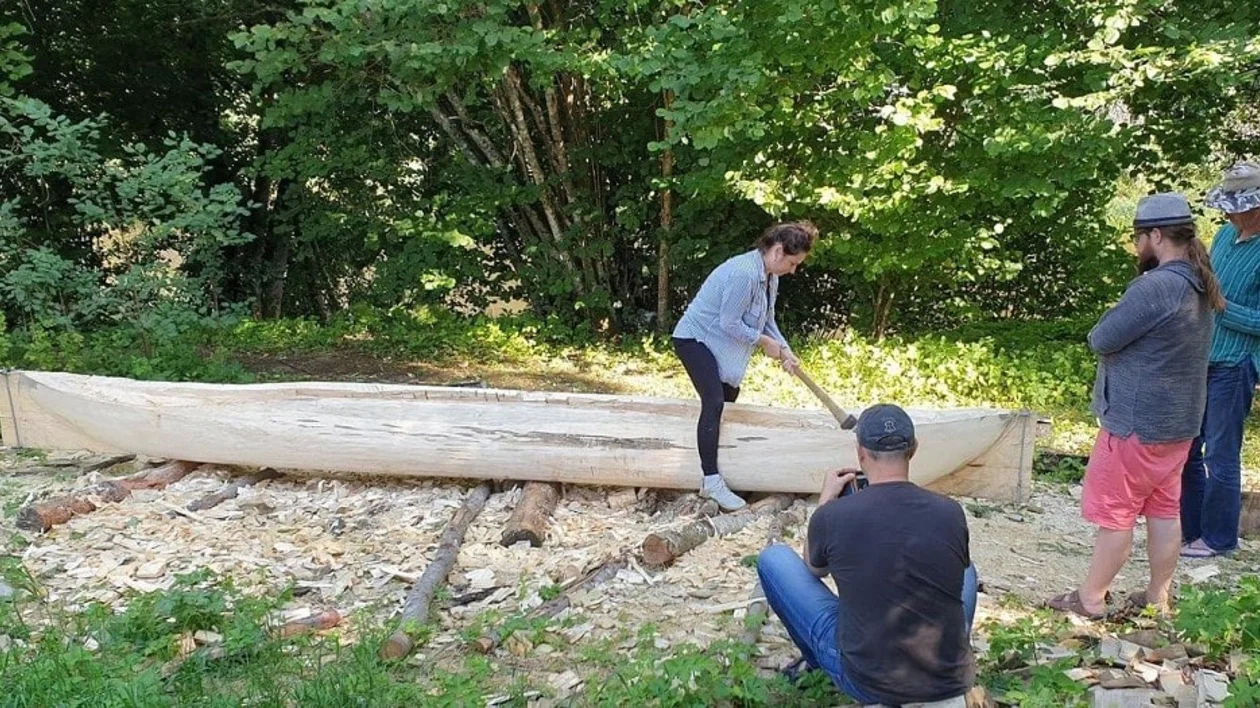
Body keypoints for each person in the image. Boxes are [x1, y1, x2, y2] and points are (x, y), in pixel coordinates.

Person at [1048, 193, 1221, 618]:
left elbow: (1102, 338)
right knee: (1164, 510)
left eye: (1138, 237)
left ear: (1156, 236)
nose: (1136, 246)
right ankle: (1157, 598)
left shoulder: (1157, 286)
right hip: (1179, 423)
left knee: (1117, 515)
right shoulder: (1200, 281)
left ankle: (1090, 598)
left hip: (1134, 424)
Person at [757, 404, 977, 706]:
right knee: (966, 570)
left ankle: (818, 662)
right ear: (913, 449)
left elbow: (814, 568)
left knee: (775, 559)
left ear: (860, 453)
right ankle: (948, 651)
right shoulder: (950, 511)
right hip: (946, 680)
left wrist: (826, 502)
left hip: (868, 680)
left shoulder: (834, 515)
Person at [672, 221, 816, 511]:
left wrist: (785, 349)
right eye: (792, 262)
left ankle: (720, 469)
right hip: (694, 339)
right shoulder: (744, 274)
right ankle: (711, 481)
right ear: (777, 251)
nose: (793, 270)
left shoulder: (769, 277)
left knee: (728, 403)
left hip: (718, 342)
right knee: (713, 402)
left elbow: (767, 320)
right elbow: (729, 323)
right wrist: (764, 342)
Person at [1182, 162, 1260, 559]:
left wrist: (1225, 307)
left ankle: (1218, 539)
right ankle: (1189, 531)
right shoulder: (1226, 236)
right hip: (1202, 357)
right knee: (1186, 447)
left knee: (1221, 455)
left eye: (1238, 206)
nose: (1229, 213)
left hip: (1236, 363)